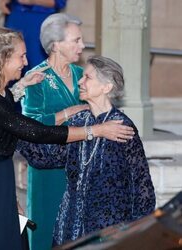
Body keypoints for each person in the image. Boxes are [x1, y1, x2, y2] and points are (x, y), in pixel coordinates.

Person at [0, 28, 134, 250]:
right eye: (21, 56)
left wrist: (22, 86)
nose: (25, 62)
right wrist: (96, 130)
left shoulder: (2, 94)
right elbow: (37, 132)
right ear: (4, 58)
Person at [18, 55, 156, 246]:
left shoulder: (122, 128)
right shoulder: (78, 121)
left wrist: (138, 233)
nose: (80, 81)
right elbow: (47, 157)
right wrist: (15, 131)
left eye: (88, 78)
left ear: (106, 87)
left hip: (107, 230)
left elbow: (141, 185)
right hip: (70, 225)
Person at [22, 13, 129, 250]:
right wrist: (67, 113)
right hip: (49, 171)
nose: (82, 46)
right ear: (56, 44)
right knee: (47, 231)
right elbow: (30, 127)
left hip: (84, 169)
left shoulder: (83, 75)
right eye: (76, 40)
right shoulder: (36, 78)